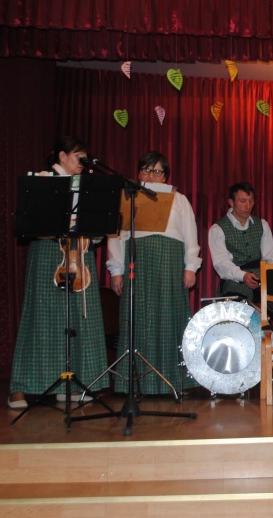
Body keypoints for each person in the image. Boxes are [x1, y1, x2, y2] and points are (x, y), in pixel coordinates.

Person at [8, 136, 108, 409]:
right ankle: (22, 386)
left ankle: (72, 384)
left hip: (80, 256)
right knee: (42, 319)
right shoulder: (42, 180)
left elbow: (99, 233)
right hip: (50, 253)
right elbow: (30, 223)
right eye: (78, 156)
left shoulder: (87, 187)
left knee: (80, 319)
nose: (82, 162)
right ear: (62, 156)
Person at [107, 151, 201, 395]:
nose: (151, 175)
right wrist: (116, 270)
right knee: (139, 318)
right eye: (146, 170)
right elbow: (116, 237)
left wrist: (190, 267)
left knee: (170, 318)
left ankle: (174, 381)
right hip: (137, 262)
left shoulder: (179, 199)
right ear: (139, 173)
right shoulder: (128, 198)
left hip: (170, 263)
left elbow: (190, 235)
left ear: (165, 176)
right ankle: (136, 383)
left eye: (157, 171)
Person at [209, 181, 273, 303]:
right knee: (239, 302)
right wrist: (243, 275)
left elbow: (270, 257)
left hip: (261, 278)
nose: (248, 206)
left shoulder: (262, 224)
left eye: (251, 201)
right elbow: (221, 263)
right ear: (231, 202)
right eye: (243, 201)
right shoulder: (218, 229)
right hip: (234, 281)